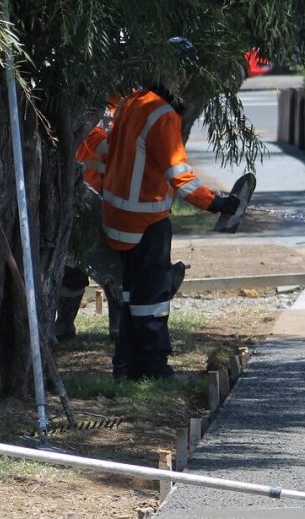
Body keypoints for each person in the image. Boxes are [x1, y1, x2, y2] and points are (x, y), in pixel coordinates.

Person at [91, 83, 255, 380]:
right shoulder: (162, 115)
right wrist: (218, 203)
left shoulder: (133, 101)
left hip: (118, 218)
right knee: (151, 300)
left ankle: (126, 367)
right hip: (145, 221)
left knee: (132, 297)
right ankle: (154, 368)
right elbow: (180, 177)